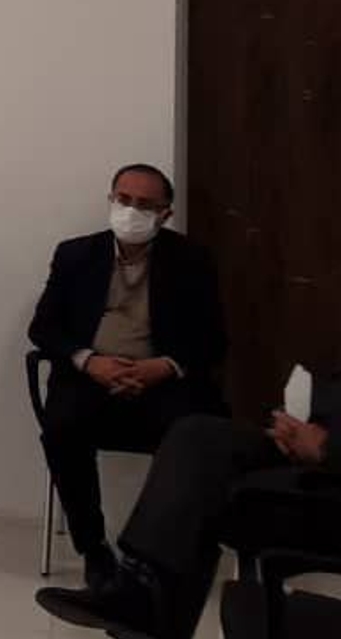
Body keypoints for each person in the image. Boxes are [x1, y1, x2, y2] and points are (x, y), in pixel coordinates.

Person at [36, 308, 341, 639]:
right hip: (333, 452)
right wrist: (303, 428)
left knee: (214, 481)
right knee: (199, 437)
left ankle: (152, 609)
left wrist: (328, 448)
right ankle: (143, 592)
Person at [28, 163, 226, 589]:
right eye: (124, 199)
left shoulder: (192, 260)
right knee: (62, 429)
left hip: (161, 382)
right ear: (111, 200)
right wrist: (88, 361)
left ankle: (158, 553)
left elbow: (213, 340)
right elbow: (43, 328)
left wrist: (164, 366)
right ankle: (93, 548)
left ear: (165, 213)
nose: (131, 210)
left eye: (145, 204)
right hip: (90, 377)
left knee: (197, 435)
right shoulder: (75, 254)